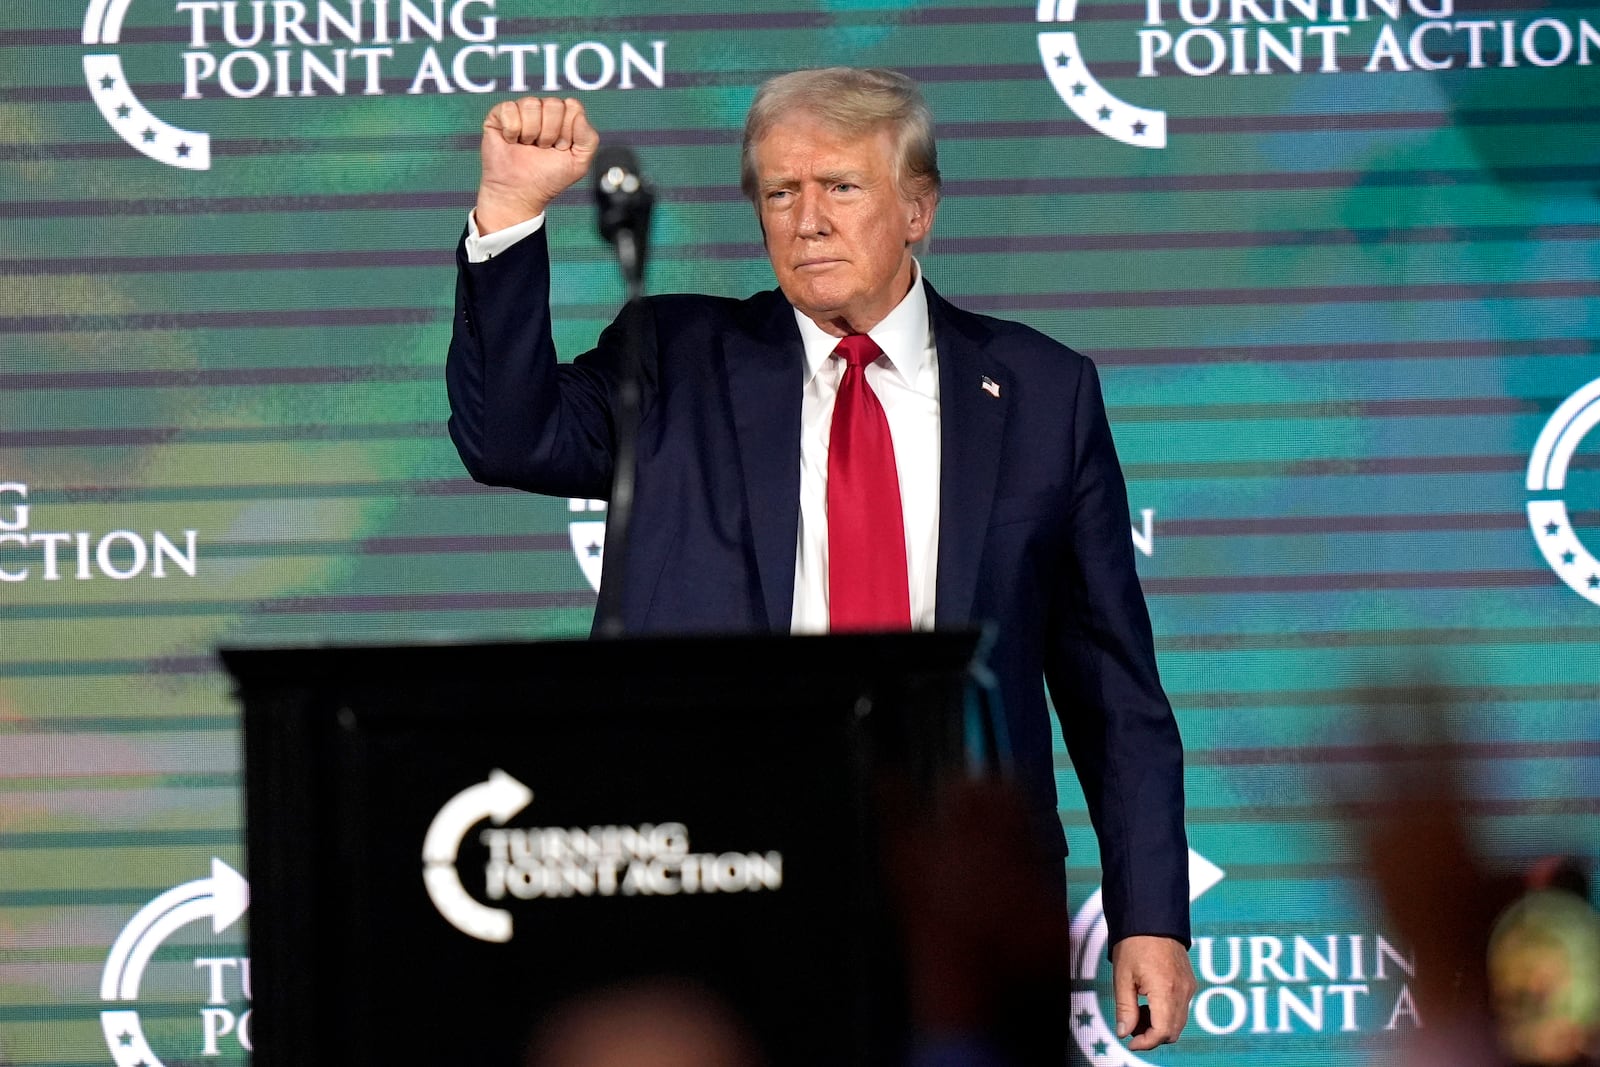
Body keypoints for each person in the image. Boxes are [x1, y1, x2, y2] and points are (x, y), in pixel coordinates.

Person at [446, 67, 1196, 1050]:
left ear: (917, 206)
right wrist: (507, 215)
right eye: (778, 192)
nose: (806, 220)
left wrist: (1148, 913)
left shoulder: (1042, 391)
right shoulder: (676, 357)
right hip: (718, 879)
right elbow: (509, 437)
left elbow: (1111, 685)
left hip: (958, 896)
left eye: (839, 187)